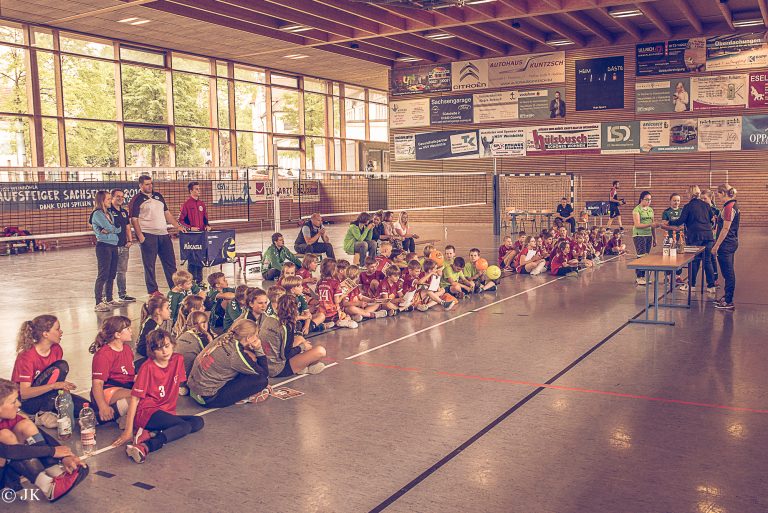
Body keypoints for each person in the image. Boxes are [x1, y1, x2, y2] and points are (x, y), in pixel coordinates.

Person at [113, 329, 204, 464]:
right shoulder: (147, 368)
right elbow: (135, 399)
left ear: (173, 345)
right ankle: (146, 446)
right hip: (148, 411)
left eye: (167, 346)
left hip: (166, 411)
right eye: (159, 348)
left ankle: (149, 433)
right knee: (184, 426)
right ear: (152, 351)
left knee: (198, 422)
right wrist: (128, 430)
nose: (164, 351)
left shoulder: (178, 359)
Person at [0, 378, 89, 502]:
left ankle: (56, 474)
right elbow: (9, 451)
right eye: (13, 401)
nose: (19, 404)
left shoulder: (7, 416)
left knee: (26, 424)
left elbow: (40, 434)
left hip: (8, 472)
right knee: (5, 436)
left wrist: (65, 456)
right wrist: (51, 451)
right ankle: (47, 486)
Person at [12, 315, 87, 418]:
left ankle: (48, 409)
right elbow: (24, 393)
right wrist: (54, 386)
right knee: (62, 366)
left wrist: (64, 389)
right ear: (45, 334)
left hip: (49, 395)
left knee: (87, 410)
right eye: (57, 329)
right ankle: (42, 414)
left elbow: (55, 379)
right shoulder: (27, 356)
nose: (61, 332)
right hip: (28, 403)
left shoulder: (56, 349)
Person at [187, 319, 271, 408]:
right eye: (256, 335)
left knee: (245, 365)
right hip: (208, 399)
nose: (257, 338)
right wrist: (258, 348)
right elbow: (264, 373)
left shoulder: (225, 337)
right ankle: (243, 398)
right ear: (248, 338)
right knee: (262, 381)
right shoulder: (235, 354)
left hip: (193, 389)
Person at [130, 175, 187, 296]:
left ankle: (175, 288)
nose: (150, 186)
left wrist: (177, 226)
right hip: (148, 235)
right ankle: (152, 290)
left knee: (170, 264)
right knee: (149, 265)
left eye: (151, 183)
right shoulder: (137, 199)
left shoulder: (158, 196)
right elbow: (134, 219)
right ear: (140, 185)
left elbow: (167, 214)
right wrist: (141, 237)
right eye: (147, 184)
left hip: (164, 235)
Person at [263, 294, 327, 377]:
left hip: (265, 364)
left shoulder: (269, 318)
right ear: (295, 309)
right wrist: (302, 347)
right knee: (320, 351)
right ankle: (304, 367)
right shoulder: (287, 325)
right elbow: (286, 355)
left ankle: (304, 366)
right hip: (278, 369)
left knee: (299, 338)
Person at [668, 185, 717, 294]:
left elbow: (680, 221)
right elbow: (711, 219)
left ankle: (692, 285)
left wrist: (669, 222)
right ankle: (711, 286)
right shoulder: (706, 205)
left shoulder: (688, 206)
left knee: (694, 261)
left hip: (695, 237)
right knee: (707, 260)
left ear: (690, 194)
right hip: (708, 236)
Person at [89, 316, 134, 425]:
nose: (131, 331)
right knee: (137, 396)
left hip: (125, 386)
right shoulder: (104, 355)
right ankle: (99, 418)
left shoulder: (127, 349)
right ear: (117, 334)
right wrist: (102, 406)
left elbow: (130, 374)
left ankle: (124, 416)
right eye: (128, 328)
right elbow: (97, 384)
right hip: (108, 389)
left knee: (150, 393)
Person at [91, 190, 121, 312]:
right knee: (103, 274)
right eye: (108, 199)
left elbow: (117, 229)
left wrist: (112, 229)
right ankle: (98, 302)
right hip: (103, 246)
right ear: (101, 201)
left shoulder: (109, 213)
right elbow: (112, 228)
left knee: (111, 274)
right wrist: (112, 229)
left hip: (113, 245)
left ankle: (109, 299)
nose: (110, 201)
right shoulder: (97, 214)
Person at [712, 184, 740, 310]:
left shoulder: (729, 207)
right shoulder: (732, 205)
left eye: (718, 194)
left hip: (726, 244)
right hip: (730, 243)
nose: (718, 197)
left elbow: (725, 228)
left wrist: (716, 245)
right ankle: (726, 297)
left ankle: (729, 301)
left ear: (723, 193)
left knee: (728, 273)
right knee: (727, 272)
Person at [178, 181, 210, 286]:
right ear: (191, 191)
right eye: (196, 189)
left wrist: (207, 225)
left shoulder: (202, 204)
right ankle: (191, 281)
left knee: (200, 258)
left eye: (199, 189)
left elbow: (205, 218)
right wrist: (190, 228)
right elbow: (180, 220)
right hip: (191, 237)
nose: (198, 190)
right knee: (192, 259)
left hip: (201, 236)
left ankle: (199, 281)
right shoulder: (186, 204)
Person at [109, 188, 135, 302]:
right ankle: (106, 296)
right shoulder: (107, 211)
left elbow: (127, 227)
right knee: (109, 272)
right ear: (112, 198)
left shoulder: (124, 212)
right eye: (118, 196)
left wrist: (130, 240)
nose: (120, 198)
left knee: (122, 272)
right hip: (111, 246)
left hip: (123, 246)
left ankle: (122, 295)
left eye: (122, 196)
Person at [175, 311, 213, 377]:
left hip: (175, 373)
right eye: (205, 322)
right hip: (187, 375)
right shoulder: (203, 337)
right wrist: (211, 340)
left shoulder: (183, 335)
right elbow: (210, 357)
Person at [631, 191, 657, 286]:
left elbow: (653, 225)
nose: (649, 201)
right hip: (639, 235)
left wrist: (655, 238)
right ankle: (639, 277)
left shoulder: (650, 210)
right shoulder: (637, 210)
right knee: (641, 256)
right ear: (641, 199)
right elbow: (637, 225)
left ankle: (644, 277)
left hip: (648, 235)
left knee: (646, 256)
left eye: (650, 199)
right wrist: (650, 224)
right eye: (647, 199)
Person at [137, 295, 171, 360]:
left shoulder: (165, 322)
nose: (170, 310)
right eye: (167, 308)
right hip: (144, 357)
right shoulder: (151, 326)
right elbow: (141, 348)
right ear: (158, 311)